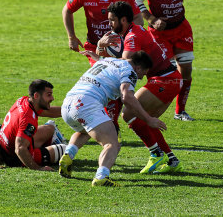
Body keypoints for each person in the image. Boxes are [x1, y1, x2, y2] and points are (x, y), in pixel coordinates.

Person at [96, 1, 183, 173]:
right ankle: (172, 161)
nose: (109, 24)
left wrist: (101, 52)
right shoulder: (133, 31)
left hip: (165, 80)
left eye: (112, 20)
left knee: (129, 113)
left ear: (123, 20)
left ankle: (156, 154)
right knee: (145, 119)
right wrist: (100, 48)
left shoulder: (132, 37)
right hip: (169, 79)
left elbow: (125, 64)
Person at [59, 51, 166, 187]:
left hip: (68, 103)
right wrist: (148, 119)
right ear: (138, 68)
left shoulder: (108, 61)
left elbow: (100, 60)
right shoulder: (130, 72)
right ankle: (101, 177)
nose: (140, 78)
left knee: (85, 130)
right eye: (143, 74)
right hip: (86, 103)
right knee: (112, 143)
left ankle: (68, 156)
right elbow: (126, 97)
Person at [62, 0, 144, 137]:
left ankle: (108, 121)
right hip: (94, 46)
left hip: (118, 47)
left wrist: (127, 37)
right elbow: (67, 10)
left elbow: (138, 17)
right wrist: (71, 36)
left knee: (116, 81)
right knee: (107, 81)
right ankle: (109, 124)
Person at [133, 0, 215, 121]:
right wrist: (152, 19)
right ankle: (150, 112)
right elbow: (136, 0)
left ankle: (180, 112)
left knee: (186, 70)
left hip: (181, 29)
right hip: (159, 33)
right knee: (167, 75)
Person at [0, 80, 67, 170]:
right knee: (66, 150)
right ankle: (45, 150)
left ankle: (47, 146)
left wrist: (71, 111)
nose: (52, 98)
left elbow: (49, 111)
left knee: (50, 128)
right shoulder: (28, 119)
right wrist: (38, 168)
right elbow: (20, 149)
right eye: (48, 95)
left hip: (5, 147)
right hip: (15, 157)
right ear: (36, 96)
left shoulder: (24, 100)